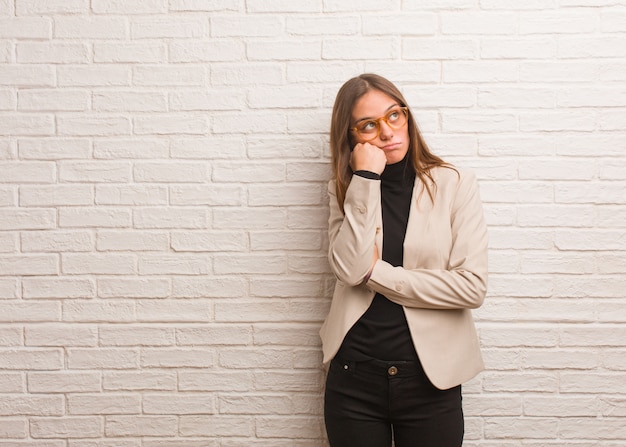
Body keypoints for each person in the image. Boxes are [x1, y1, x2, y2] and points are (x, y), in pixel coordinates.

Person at [320, 73, 488, 447]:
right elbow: (349, 269)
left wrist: (377, 273)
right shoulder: (346, 187)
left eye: (394, 115)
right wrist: (365, 177)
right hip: (354, 377)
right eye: (368, 125)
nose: (386, 131)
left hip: (430, 379)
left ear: (407, 117)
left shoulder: (454, 183)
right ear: (351, 138)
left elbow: (471, 287)